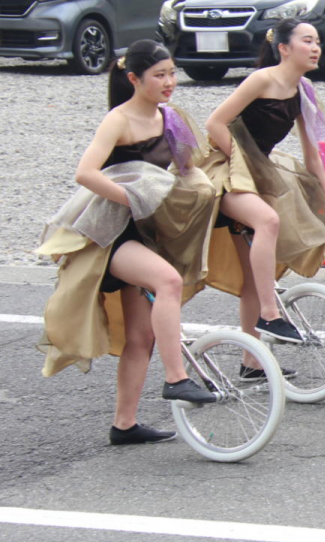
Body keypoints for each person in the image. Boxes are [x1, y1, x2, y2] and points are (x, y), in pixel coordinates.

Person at [37, 39, 219, 445]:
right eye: (160, 75)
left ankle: (124, 425)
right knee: (168, 282)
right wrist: (133, 199)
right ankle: (176, 378)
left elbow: (188, 169)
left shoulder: (169, 117)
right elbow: (85, 173)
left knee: (142, 337)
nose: (170, 81)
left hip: (144, 232)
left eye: (172, 73)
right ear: (134, 79)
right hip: (111, 236)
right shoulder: (118, 120)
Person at [199, 17, 325, 371]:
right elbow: (214, 123)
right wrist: (243, 163)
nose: (315, 47)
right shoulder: (262, 79)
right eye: (307, 41)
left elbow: (312, 156)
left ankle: (252, 364)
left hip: (259, 168)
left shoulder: (304, 91)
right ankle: (269, 312)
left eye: (317, 41)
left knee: (253, 277)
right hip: (225, 169)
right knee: (269, 220)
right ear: (283, 48)